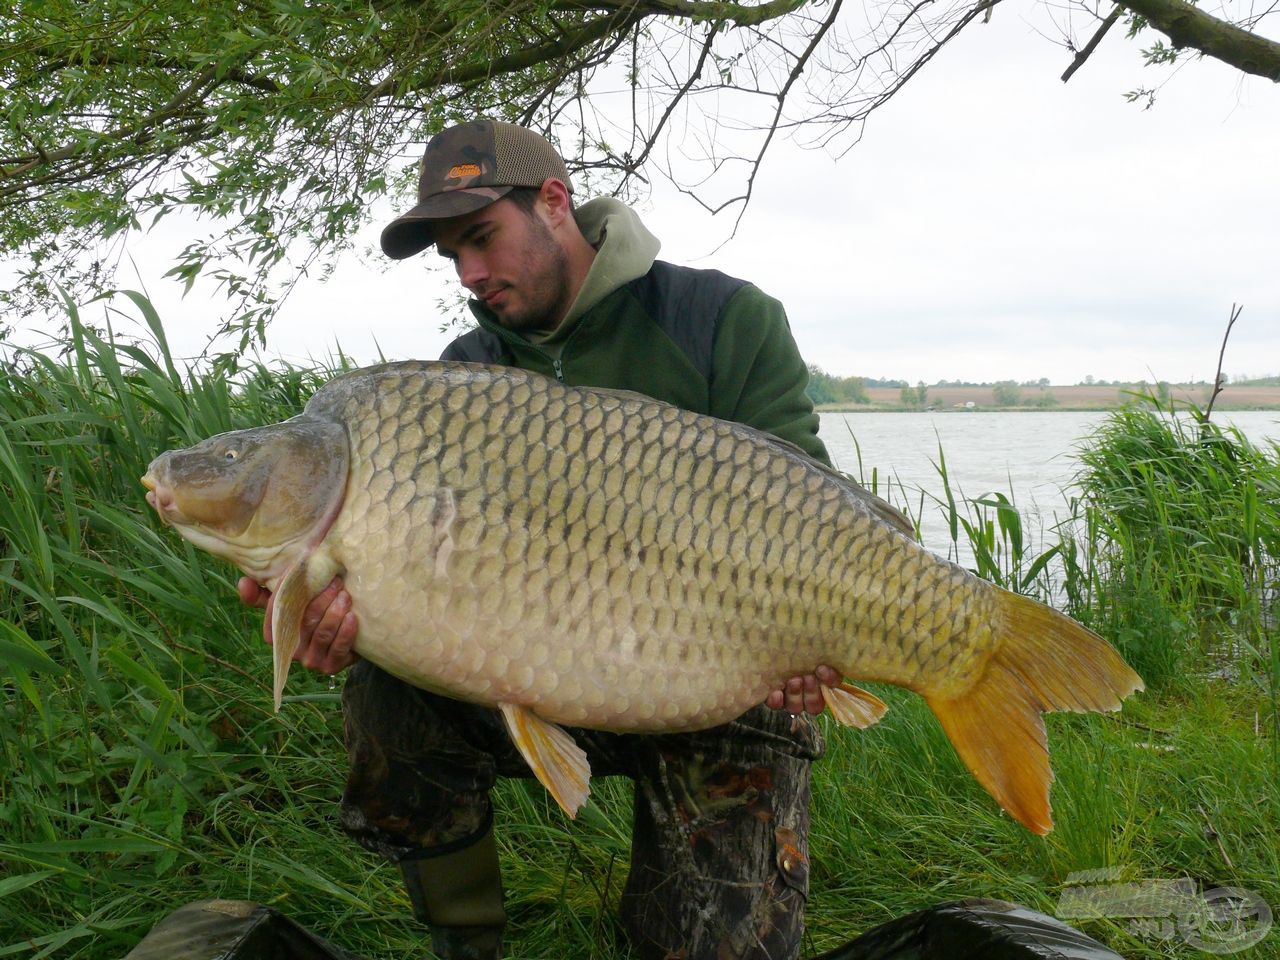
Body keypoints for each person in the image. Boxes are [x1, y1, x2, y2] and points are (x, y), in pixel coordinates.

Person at [238, 120, 840, 960]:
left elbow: (813, 507)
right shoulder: (463, 376)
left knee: (714, 949)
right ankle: (468, 943)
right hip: (550, 670)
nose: (471, 275)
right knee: (385, 680)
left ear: (553, 202)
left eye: (481, 238)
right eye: (452, 256)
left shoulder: (720, 318)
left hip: (723, 671)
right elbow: (430, 575)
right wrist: (348, 620)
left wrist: (812, 645)